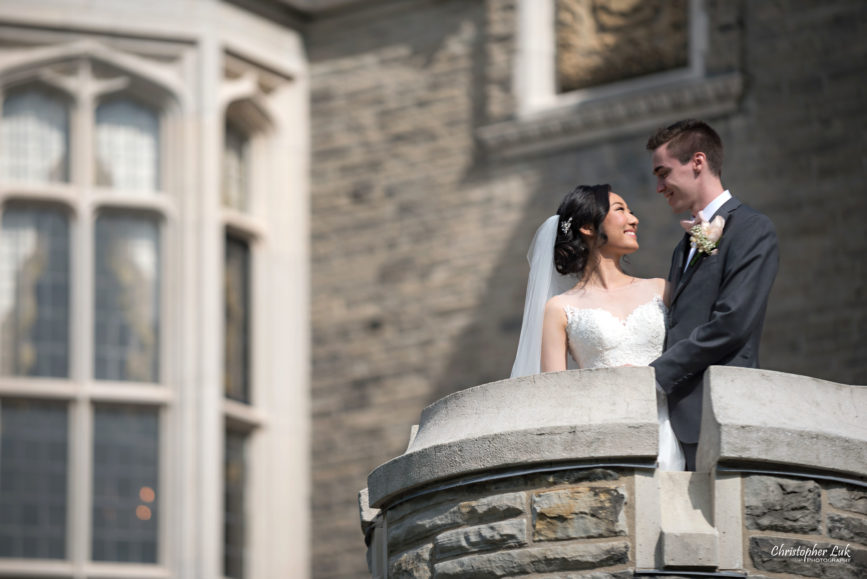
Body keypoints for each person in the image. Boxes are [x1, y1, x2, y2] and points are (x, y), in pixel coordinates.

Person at [511, 183, 685, 471]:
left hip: (671, 426)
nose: (633, 219)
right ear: (588, 228)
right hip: (607, 435)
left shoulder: (661, 289)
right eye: (620, 210)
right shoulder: (559, 309)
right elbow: (556, 395)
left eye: (632, 211)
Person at [647, 119, 779, 471]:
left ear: (698, 162)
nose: (659, 187)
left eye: (664, 173)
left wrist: (655, 375)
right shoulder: (683, 246)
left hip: (718, 411)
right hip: (673, 420)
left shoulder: (752, 229)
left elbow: (732, 323)